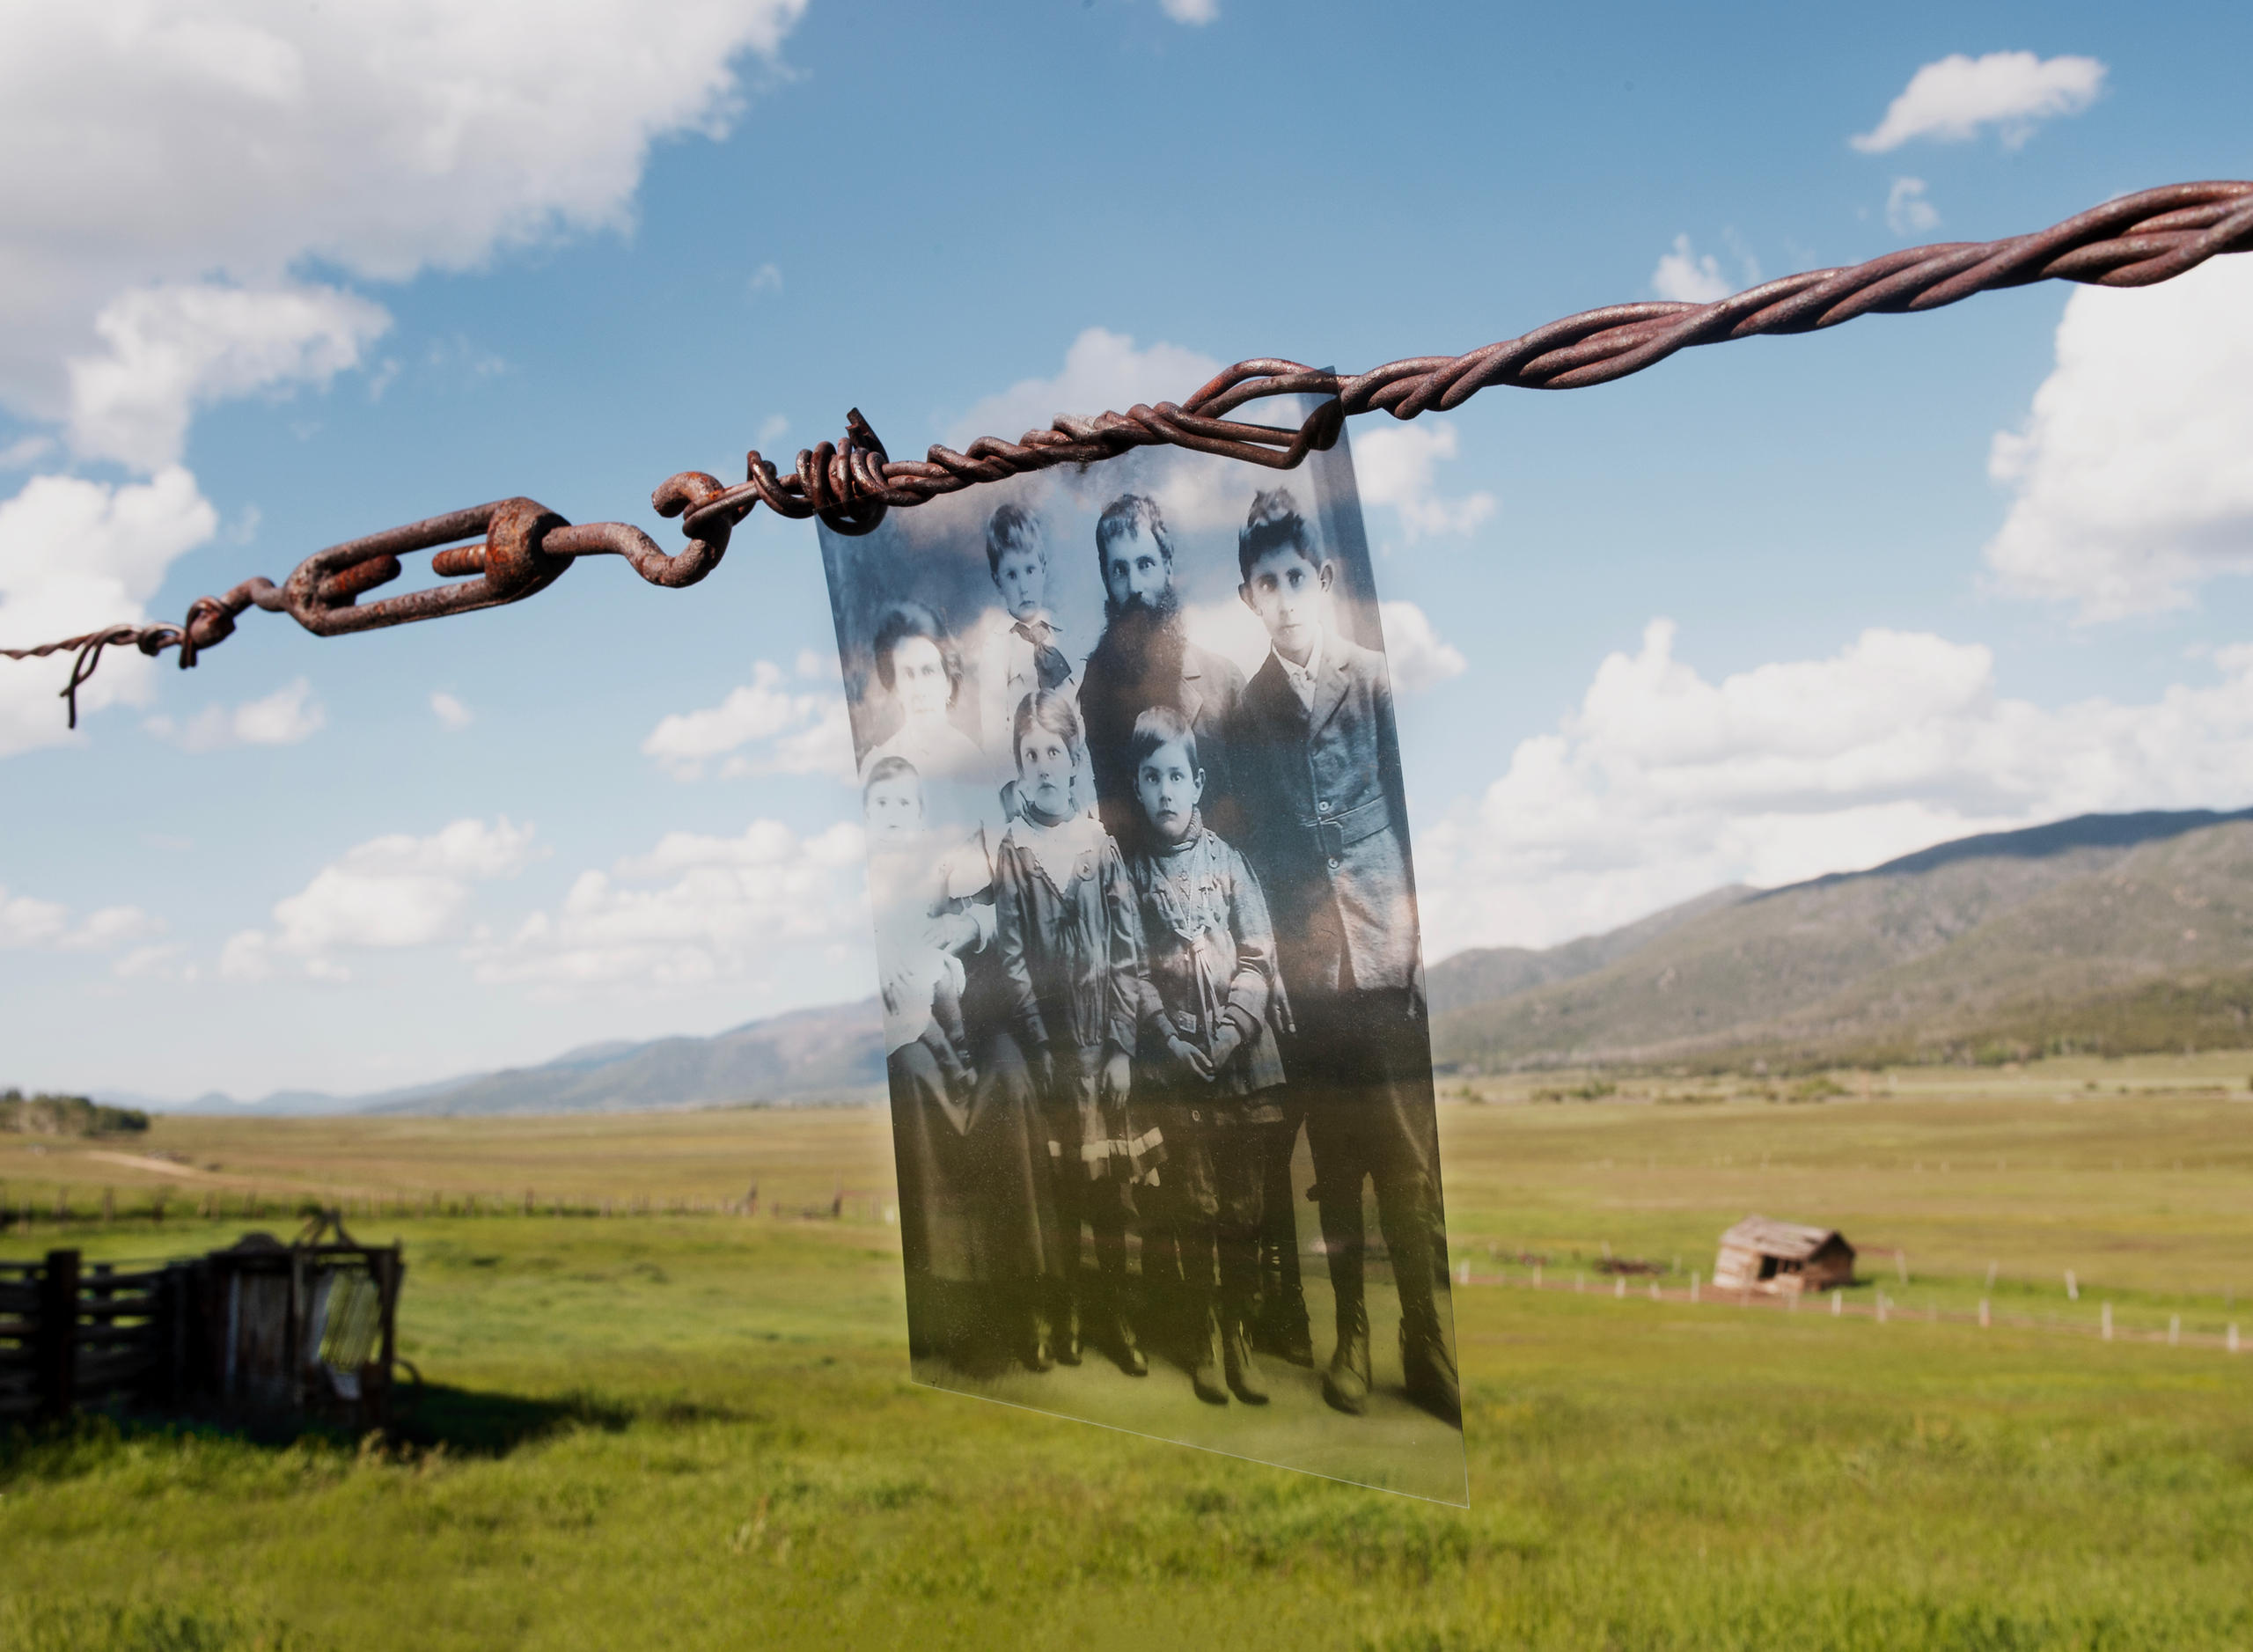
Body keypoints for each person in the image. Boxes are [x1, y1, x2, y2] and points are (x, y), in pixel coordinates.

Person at [1226, 488, 1459, 1425]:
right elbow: (1255, 849)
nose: (1282, 597)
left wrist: (1407, 930)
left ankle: (1424, 1337)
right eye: (1263, 583)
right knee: (1339, 1163)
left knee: (1405, 1163)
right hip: (1310, 974)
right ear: (1246, 597)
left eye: (1294, 577)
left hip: (1384, 959)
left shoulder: (1371, 678)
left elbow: (1408, 814)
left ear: (1319, 580)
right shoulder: (1246, 712)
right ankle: (1350, 1335)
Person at [863, 602, 1064, 1373]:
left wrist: (966, 931)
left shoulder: (980, 765)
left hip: (983, 983)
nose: (919, 684)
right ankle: (955, 1308)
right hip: (909, 995)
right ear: (891, 681)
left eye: (930, 669)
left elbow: (1000, 890)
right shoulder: (874, 769)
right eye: (904, 672)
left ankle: (1028, 1298)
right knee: (913, 1079)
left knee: (1010, 1078)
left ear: (948, 677)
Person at [1122, 706, 1289, 1406]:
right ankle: (1204, 1337)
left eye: (1177, 777)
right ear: (1138, 785)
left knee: (1243, 1208)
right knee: (1192, 1204)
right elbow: (1127, 968)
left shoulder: (1229, 862)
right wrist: (1170, 1037)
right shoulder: (1128, 874)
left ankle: (1241, 1333)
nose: (1166, 791)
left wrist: (1227, 1034)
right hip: (1177, 1060)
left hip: (1241, 1060)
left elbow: (1256, 953)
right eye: (1152, 777)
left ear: (1197, 783)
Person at [993, 689, 1152, 1377]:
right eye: (1029, 756)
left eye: (1053, 751)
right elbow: (1011, 960)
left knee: (1111, 1198)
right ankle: (1064, 1313)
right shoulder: (1015, 852)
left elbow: (1130, 950)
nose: (1042, 766)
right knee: (1058, 1196)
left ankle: (1117, 1317)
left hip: (1103, 1047)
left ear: (1074, 759)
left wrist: (1121, 1046)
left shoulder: (1099, 844)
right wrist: (1040, 1044)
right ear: (1019, 771)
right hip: (1053, 1053)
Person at [1077, 494, 1247, 850]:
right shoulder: (1095, 691)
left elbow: (1256, 820)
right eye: (1119, 570)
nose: (1135, 586)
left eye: (1145, 564)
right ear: (1106, 579)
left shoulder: (1226, 684)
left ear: (1168, 567)